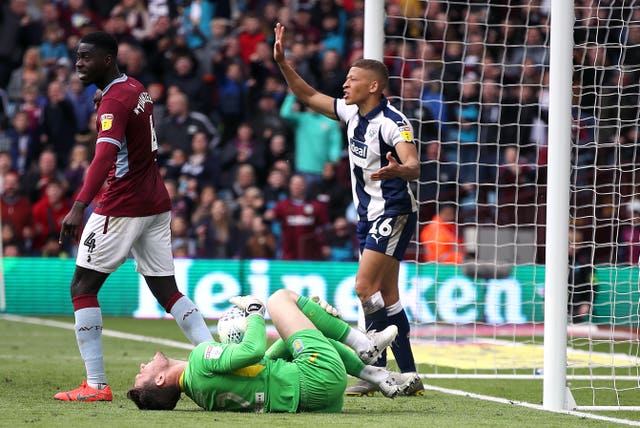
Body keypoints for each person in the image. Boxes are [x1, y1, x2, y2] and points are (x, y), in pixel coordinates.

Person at [54, 31, 212, 403]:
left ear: (107, 60)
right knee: (166, 291)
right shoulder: (135, 88)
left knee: (82, 288)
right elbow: (127, 115)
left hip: (122, 205)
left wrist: (80, 205)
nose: (78, 63)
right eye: (77, 56)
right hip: (156, 202)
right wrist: (105, 101)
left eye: (86, 57)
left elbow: (105, 157)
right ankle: (214, 357)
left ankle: (95, 385)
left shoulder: (114, 102)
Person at [273, 23, 423, 396]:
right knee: (387, 295)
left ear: (373, 85)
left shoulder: (393, 123)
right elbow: (306, 95)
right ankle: (408, 374)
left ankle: (375, 370)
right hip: (369, 216)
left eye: (352, 79)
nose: (345, 84)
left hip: (394, 211)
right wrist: (282, 63)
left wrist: (397, 170)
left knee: (363, 286)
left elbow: (414, 165)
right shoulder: (350, 114)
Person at [127, 290, 419, 412]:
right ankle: (363, 344)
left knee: (305, 328)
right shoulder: (200, 357)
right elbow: (253, 351)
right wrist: (255, 311)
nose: (140, 368)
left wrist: (303, 322)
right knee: (280, 298)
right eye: (142, 376)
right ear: (161, 380)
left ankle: (378, 375)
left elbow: (259, 369)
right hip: (315, 377)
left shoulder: (201, 396)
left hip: (311, 399)